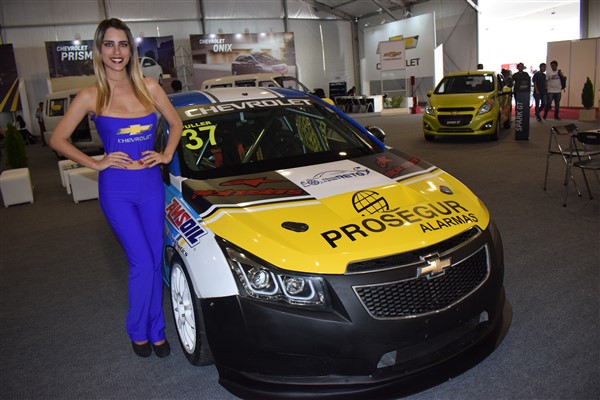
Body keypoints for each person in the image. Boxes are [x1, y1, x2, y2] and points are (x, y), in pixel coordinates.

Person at [50, 18, 183, 359]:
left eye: (123, 44)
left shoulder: (150, 87)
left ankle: (156, 329)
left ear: (131, 49)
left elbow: (176, 123)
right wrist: (95, 163)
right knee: (141, 262)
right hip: (117, 191)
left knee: (155, 261)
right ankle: (137, 329)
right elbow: (58, 138)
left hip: (151, 186)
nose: (116, 51)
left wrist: (166, 155)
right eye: (109, 44)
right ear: (99, 50)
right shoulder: (90, 94)